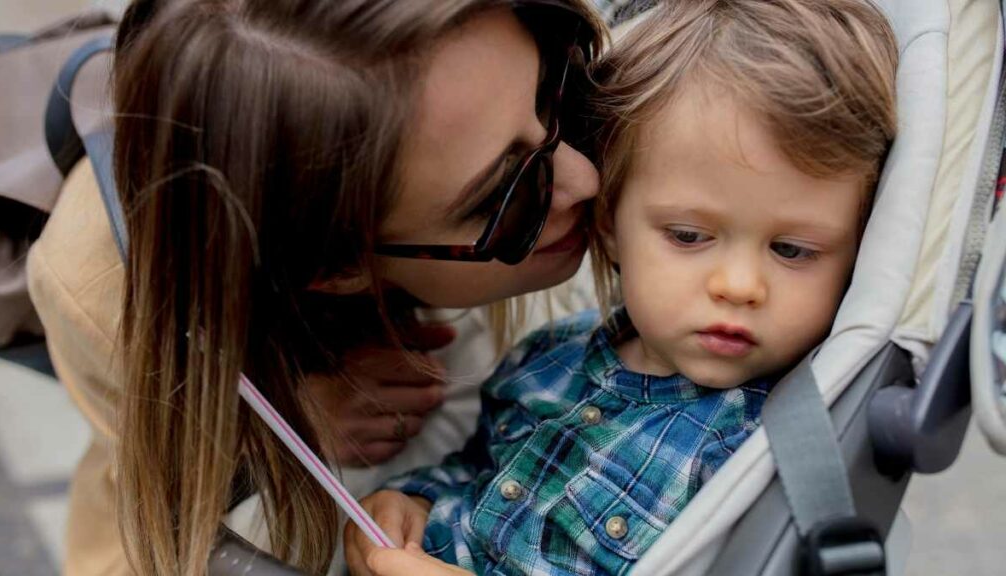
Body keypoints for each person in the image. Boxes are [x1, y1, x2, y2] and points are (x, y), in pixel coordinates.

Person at [25, 0, 614, 574]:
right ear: (337, 269)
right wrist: (269, 435)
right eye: (505, 199)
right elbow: (164, 496)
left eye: (557, 90)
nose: (585, 177)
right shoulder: (102, 289)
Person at [346, 0, 898, 574]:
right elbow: (478, 468)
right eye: (687, 236)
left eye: (792, 250)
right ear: (609, 221)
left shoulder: (761, 456)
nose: (738, 286)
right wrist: (411, 502)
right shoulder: (547, 359)